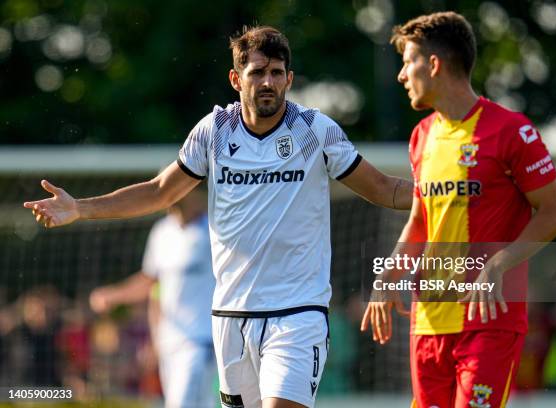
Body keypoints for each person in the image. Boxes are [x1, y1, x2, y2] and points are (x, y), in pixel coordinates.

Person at [24, 26, 413, 408]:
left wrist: (442, 191)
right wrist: (81, 207)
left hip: (298, 313)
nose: (267, 82)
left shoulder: (315, 130)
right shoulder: (214, 131)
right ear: (235, 78)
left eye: (276, 73)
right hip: (231, 316)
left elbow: (384, 189)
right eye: (257, 72)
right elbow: (160, 191)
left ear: (289, 79)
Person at [360, 12, 556, 408]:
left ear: (433, 64)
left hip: (490, 319)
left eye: (408, 62)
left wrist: (499, 263)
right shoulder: (421, 137)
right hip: (429, 321)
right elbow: (420, 221)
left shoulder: (511, 131)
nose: (402, 76)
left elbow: (554, 213)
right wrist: (387, 276)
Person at [89, 188, 216, 408]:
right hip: (169, 342)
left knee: (181, 404)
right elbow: (153, 286)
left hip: (201, 342)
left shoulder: (213, 230)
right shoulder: (161, 232)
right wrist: (154, 338)